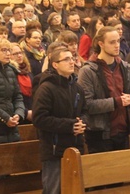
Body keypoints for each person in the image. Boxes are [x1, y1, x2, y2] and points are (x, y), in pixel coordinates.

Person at [32, 47, 88, 194]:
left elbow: (85, 111)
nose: (72, 62)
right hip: (54, 149)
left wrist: (82, 122)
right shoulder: (46, 88)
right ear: (55, 64)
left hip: (75, 146)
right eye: (66, 59)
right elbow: (39, 119)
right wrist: (70, 126)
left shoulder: (77, 88)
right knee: (54, 190)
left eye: (73, 58)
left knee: (76, 188)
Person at [77, 26, 130, 153]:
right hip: (99, 134)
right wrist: (116, 102)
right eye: (112, 42)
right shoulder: (88, 70)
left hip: (122, 131)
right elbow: (87, 105)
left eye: (118, 41)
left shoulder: (125, 67)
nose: (117, 45)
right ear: (101, 44)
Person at [11, 43, 33, 122]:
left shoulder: (27, 72)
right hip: (18, 115)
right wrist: (26, 113)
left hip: (32, 113)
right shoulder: (10, 73)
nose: (19, 55)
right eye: (15, 54)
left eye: (20, 53)